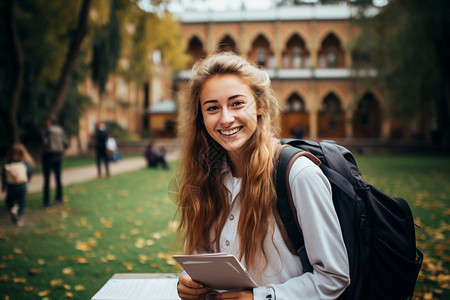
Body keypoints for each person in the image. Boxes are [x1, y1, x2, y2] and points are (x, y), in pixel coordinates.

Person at [175, 52, 350, 300]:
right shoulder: (207, 177)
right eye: (212, 108)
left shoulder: (299, 175)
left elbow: (334, 277)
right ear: (201, 118)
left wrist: (262, 297)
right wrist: (192, 281)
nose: (225, 118)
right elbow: (203, 255)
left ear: (260, 106)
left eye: (236, 103)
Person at [2, 143, 34, 227]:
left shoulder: (7, 163)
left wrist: (3, 187)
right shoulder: (25, 163)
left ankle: (12, 208)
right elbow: (29, 173)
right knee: (21, 202)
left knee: (9, 201)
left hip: (11, 186)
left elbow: (4, 176)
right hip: (22, 185)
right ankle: (18, 218)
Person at [41, 117, 68, 208]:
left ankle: (46, 202)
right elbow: (66, 143)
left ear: (50, 122)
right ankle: (59, 199)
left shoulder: (47, 131)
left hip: (48, 156)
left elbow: (45, 142)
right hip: (58, 156)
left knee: (47, 180)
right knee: (58, 179)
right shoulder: (61, 131)